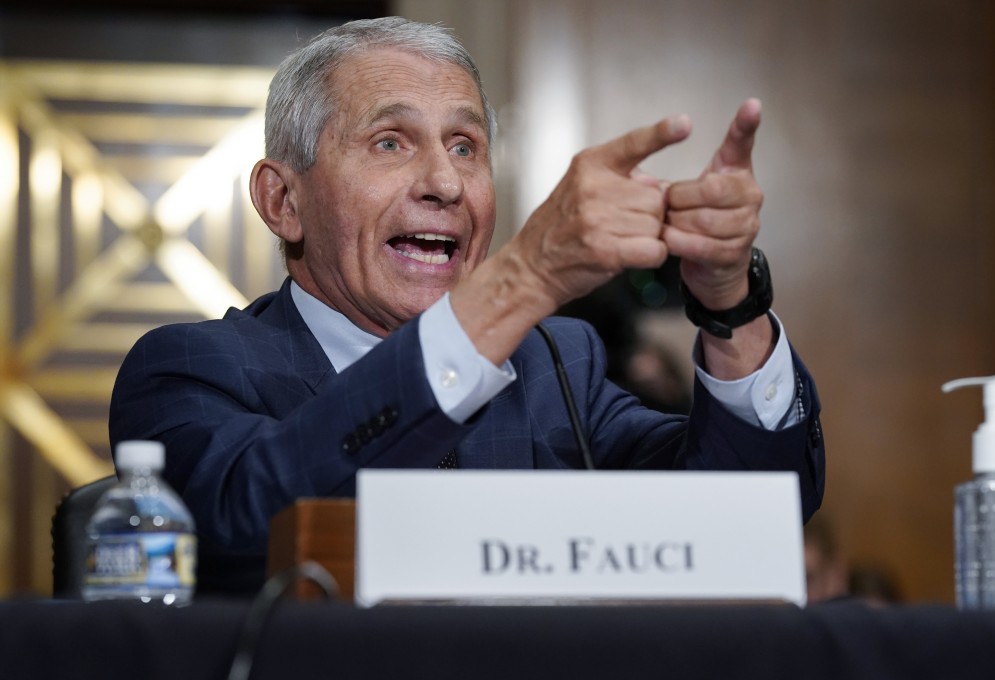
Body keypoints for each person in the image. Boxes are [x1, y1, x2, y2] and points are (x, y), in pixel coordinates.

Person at [109, 17, 825, 596]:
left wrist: (730, 300)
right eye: (390, 141)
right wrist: (523, 279)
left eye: (465, 146)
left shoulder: (555, 364)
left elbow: (740, 516)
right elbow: (246, 525)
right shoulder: (192, 370)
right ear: (282, 200)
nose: (444, 184)